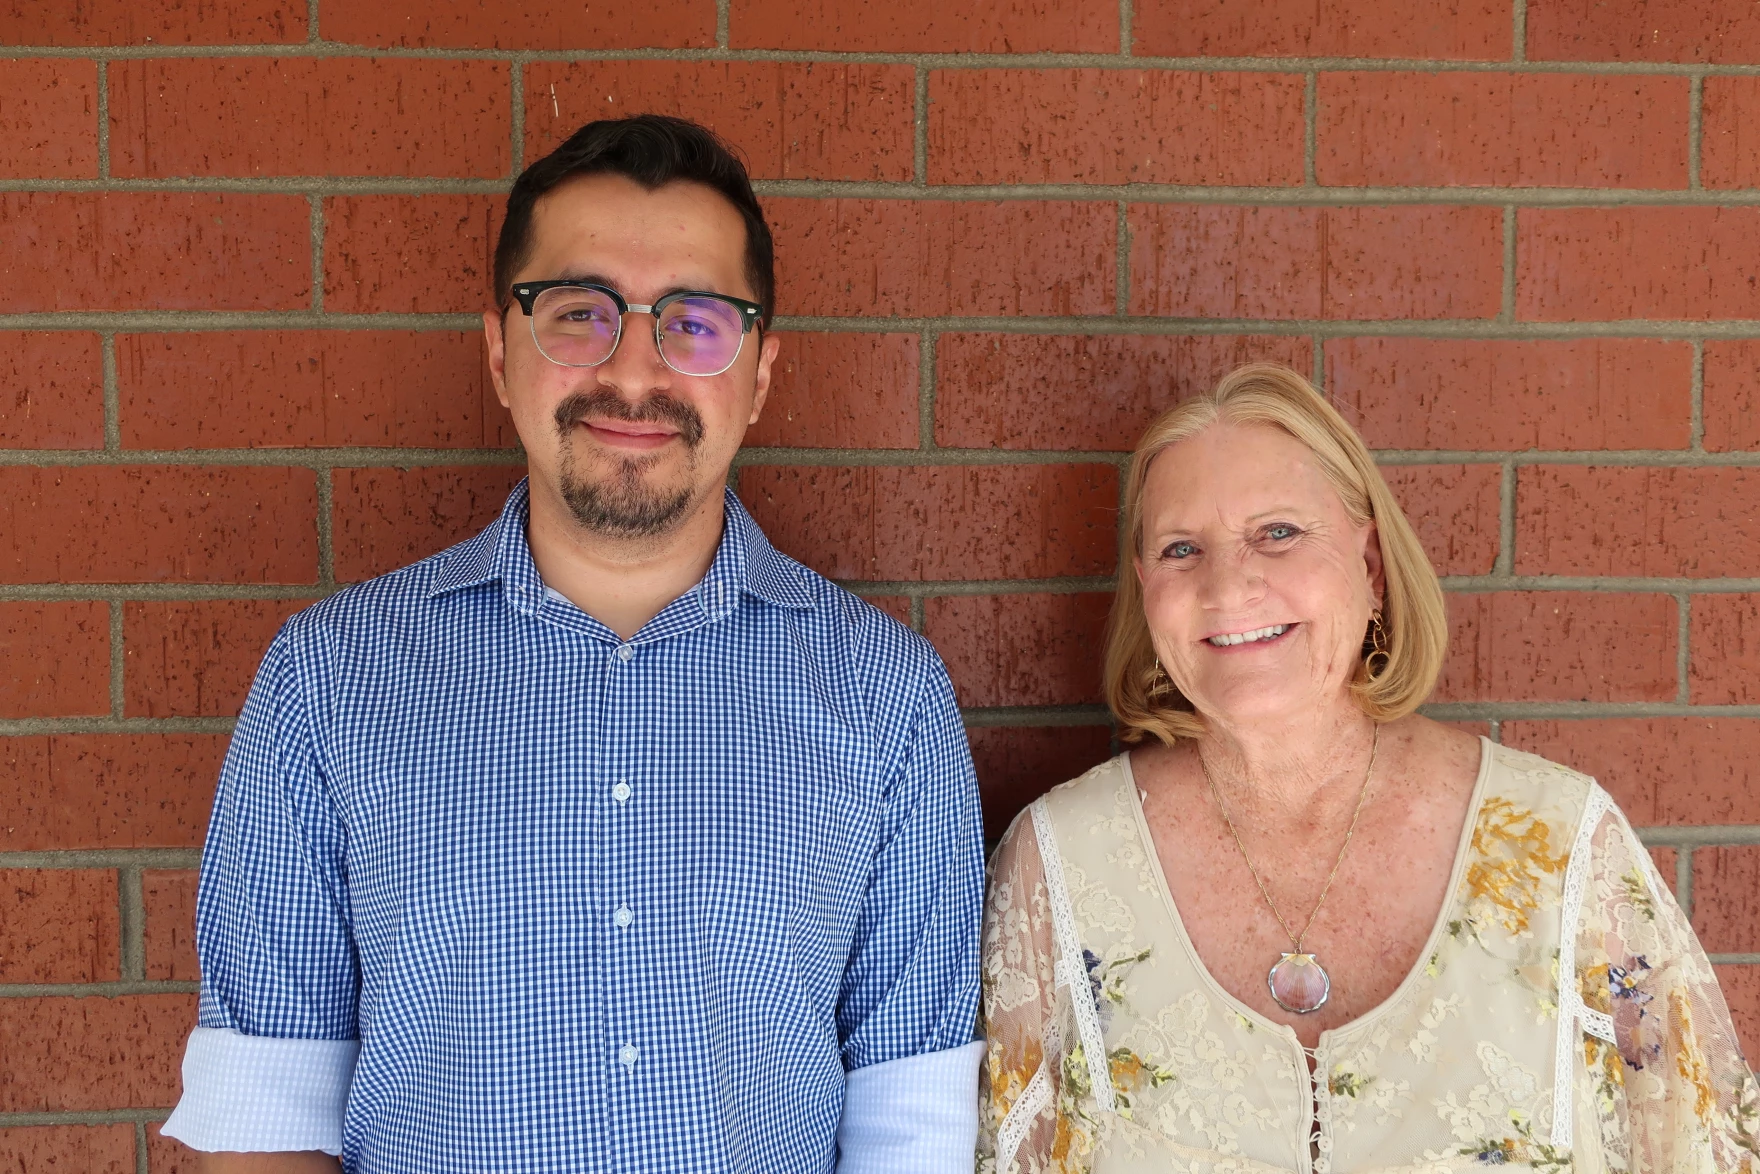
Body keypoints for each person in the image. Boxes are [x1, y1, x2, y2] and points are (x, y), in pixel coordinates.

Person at [160, 114, 985, 1173]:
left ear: (762, 374)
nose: (632, 369)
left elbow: (909, 1129)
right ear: (501, 354)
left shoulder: (885, 697)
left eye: (694, 321)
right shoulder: (329, 678)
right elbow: (266, 1118)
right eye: (579, 313)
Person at [976, 363, 1757, 1173]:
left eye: (1277, 533)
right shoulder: (1060, 867)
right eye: (1182, 549)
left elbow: (1702, 1151)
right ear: (1146, 594)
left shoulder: (1562, 849)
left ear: (1372, 568)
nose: (1228, 585)